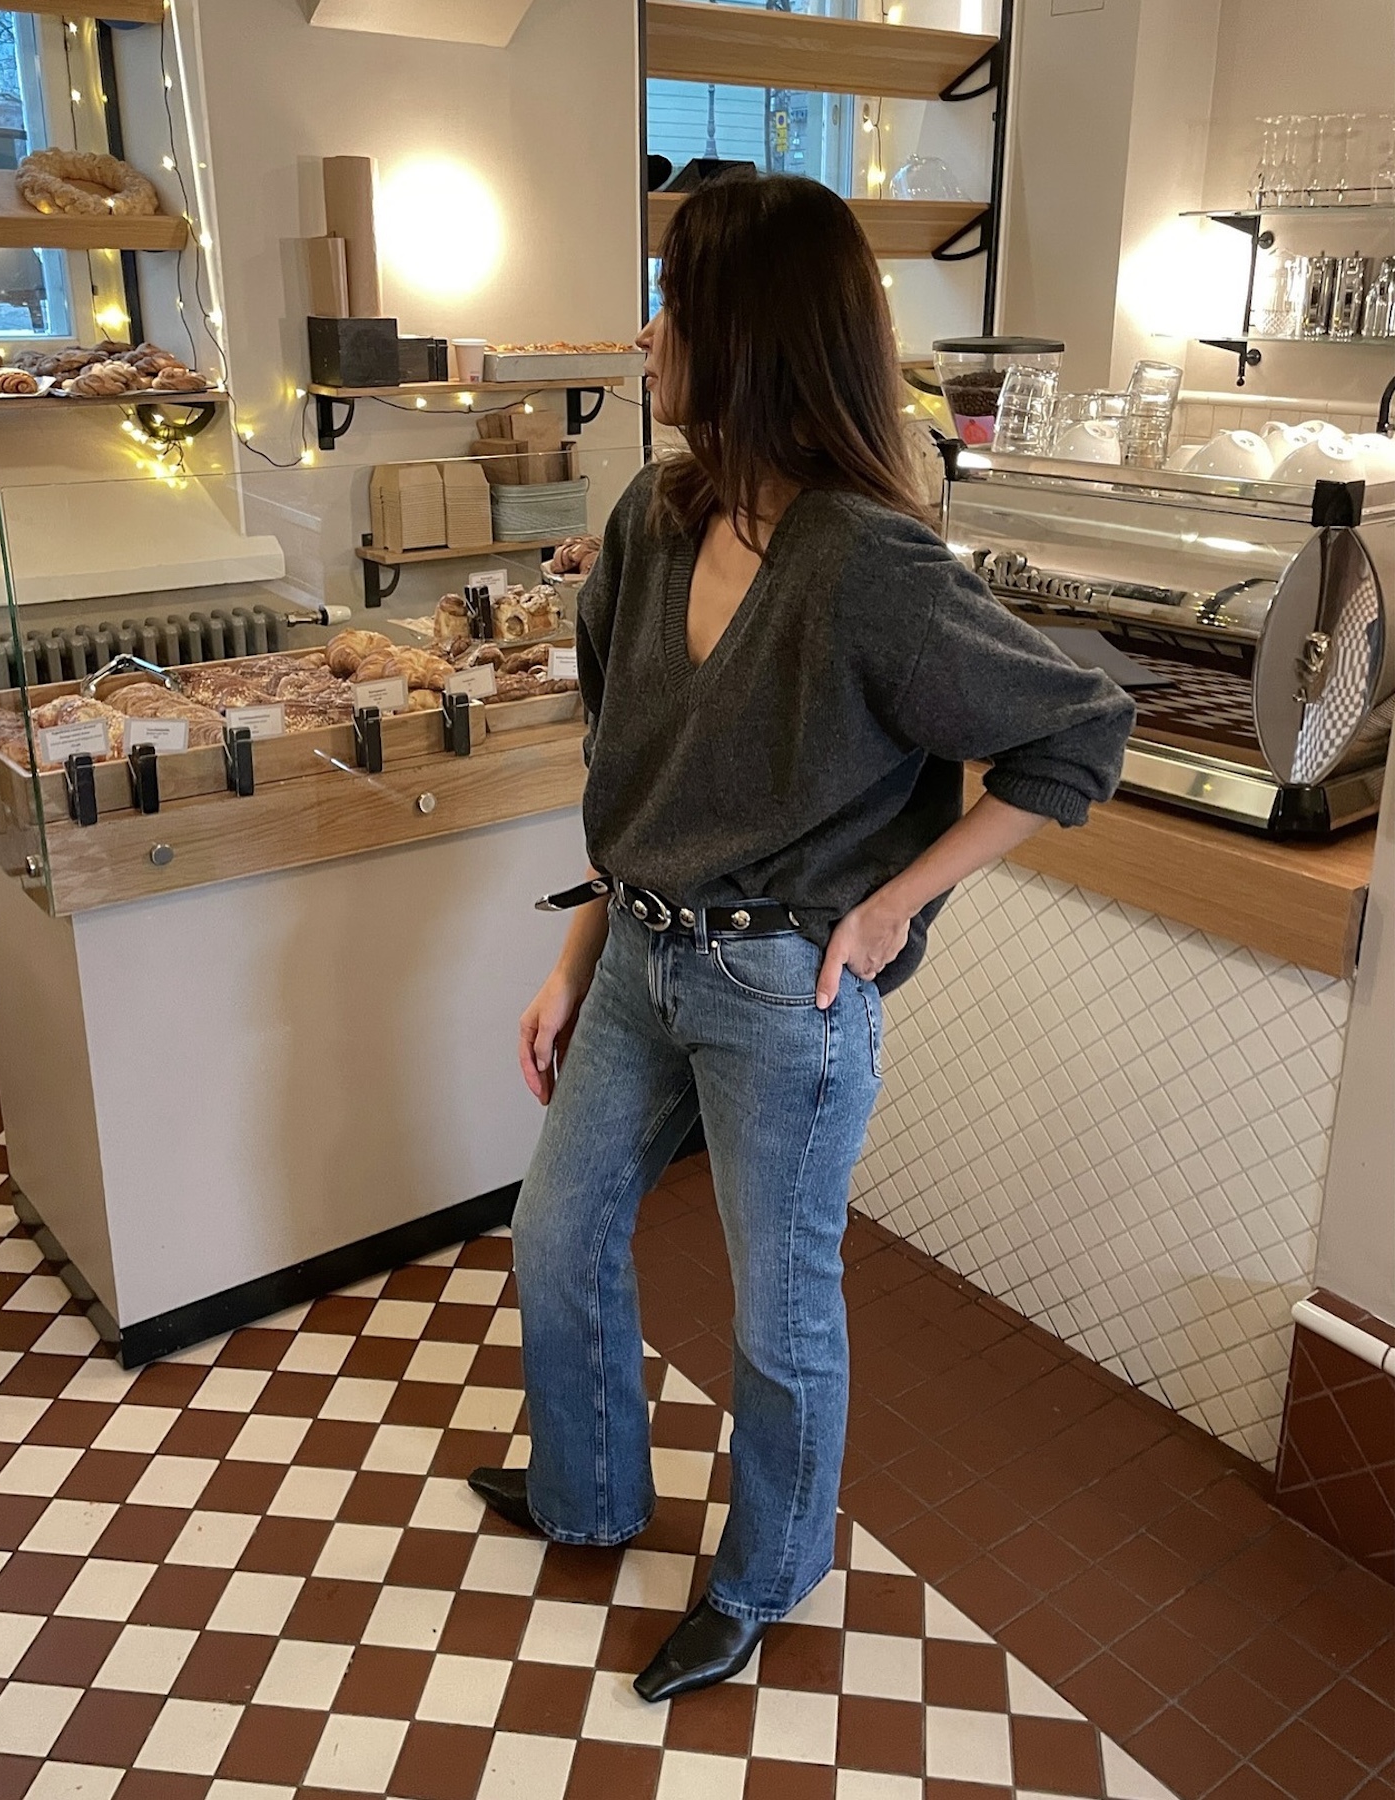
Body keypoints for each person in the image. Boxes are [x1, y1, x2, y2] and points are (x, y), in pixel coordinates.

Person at [468, 174, 1135, 1702]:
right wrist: (573, 959)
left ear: (746, 336)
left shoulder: (870, 568)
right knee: (558, 1232)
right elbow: (620, 768)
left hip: (785, 990)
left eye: (673, 303)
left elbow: (1078, 736)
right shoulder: (649, 519)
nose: (648, 334)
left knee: (777, 1312)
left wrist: (900, 900)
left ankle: (763, 1572)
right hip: (637, 962)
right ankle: (590, 1493)